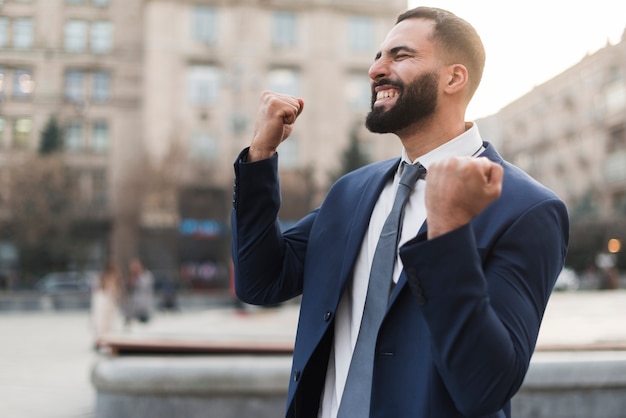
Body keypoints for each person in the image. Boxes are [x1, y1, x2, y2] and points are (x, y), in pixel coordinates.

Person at [231, 6, 569, 418]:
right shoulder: (351, 193)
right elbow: (260, 282)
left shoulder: (527, 209)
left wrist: (447, 231)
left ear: (453, 78)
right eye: (378, 56)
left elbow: (485, 386)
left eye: (400, 55)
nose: (376, 69)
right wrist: (260, 158)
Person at [91, 258, 123, 349]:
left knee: (107, 322)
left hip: (109, 302)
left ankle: (104, 340)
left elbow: (116, 291)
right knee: (102, 321)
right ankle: (101, 339)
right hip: (104, 300)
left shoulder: (115, 277)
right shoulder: (104, 277)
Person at [127, 258, 155, 324]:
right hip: (134, 310)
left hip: (144, 310)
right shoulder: (132, 277)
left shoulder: (146, 276)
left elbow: (144, 286)